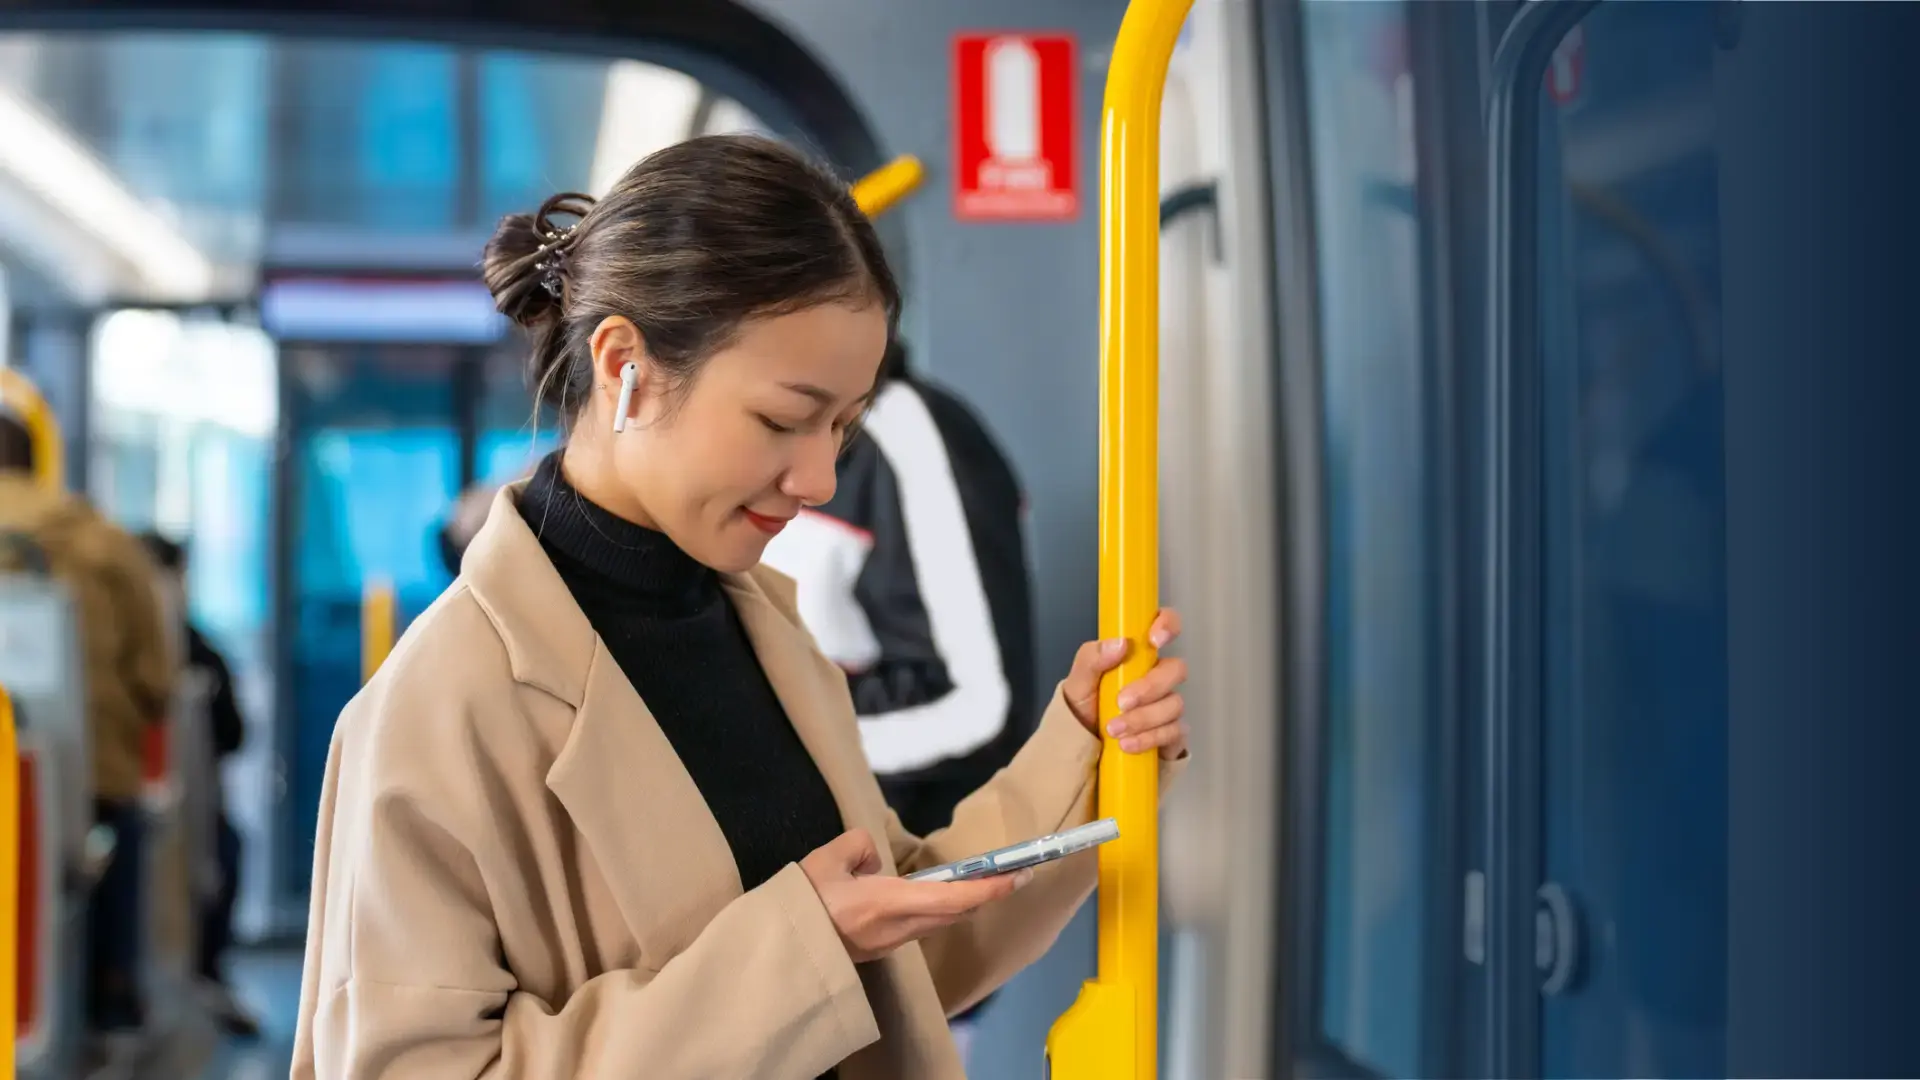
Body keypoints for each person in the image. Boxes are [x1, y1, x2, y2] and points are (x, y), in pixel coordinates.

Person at [291, 134, 1191, 1080]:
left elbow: (891, 955)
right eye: (781, 420)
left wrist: (1083, 753)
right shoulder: (436, 710)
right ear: (623, 364)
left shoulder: (764, 624)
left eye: (843, 427)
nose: (817, 476)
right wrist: (794, 958)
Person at [757, 338, 1038, 1063]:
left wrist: (763, 728)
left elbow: (978, 702)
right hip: (782, 935)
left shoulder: (908, 431)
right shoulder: (740, 434)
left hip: (895, 929)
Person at [0, 393, 175, 1053]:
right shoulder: (103, 543)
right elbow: (154, 674)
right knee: (115, 836)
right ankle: (112, 995)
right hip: (89, 773)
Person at [138, 532, 263, 1040]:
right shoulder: (195, 649)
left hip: (188, 802)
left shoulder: (199, 650)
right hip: (164, 801)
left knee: (224, 851)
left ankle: (205, 968)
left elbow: (235, 734)